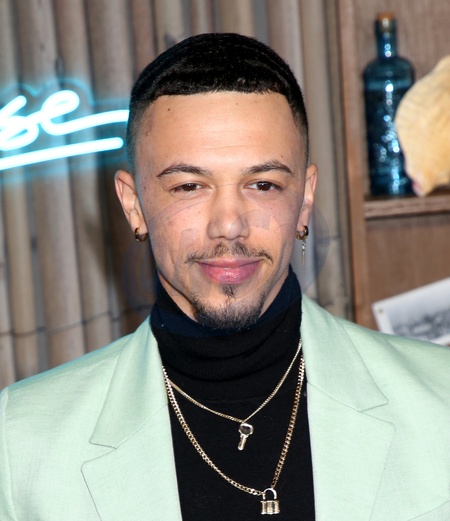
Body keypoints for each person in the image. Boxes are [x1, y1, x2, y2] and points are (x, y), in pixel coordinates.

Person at [0, 33, 449, 521]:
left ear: (305, 199)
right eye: (189, 186)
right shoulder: (22, 440)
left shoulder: (439, 400)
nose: (229, 225)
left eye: (263, 184)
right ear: (134, 205)